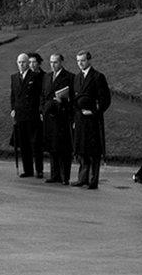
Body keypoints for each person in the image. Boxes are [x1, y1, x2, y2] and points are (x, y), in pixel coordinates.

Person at [71, 51, 112, 189]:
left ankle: (93, 180)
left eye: (82, 60)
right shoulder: (77, 78)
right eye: (78, 61)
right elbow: (73, 99)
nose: (80, 63)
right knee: (82, 150)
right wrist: (76, 115)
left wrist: (94, 111)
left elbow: (105, 99)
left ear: (89, 60)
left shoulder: (97, 77)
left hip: (92, 120)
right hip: (80, 119)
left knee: (93, 152)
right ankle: (82, 178)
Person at [41, 54, 74, 184]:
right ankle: (54, 175)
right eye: (51, 62)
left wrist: (63, 101)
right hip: (49, 116)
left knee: (63, 148)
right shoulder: (47, 77)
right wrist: (42, 109)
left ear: (61, 62)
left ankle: (64, 176)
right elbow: (43, 95)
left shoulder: (69, 77)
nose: (53, 65)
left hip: (62, 117)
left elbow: (72, 98)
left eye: (55, 62)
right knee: (52, 147)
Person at [10, 53, 42, 178]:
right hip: (20, 115)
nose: (21, 64)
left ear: (28, 63)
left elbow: (39, 95)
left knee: (35, 143)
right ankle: (27, 169)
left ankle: (38, 169)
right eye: (19, 62)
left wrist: (39, 111)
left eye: (23, 62)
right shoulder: (14, 77)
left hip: (32, 114)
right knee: (23, 144)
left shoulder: (35, 76)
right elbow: (13, 96)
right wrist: (13, 109)